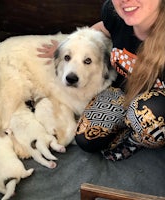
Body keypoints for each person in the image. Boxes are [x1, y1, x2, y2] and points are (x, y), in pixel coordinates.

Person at [37, 0, 165, 161]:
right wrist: (68, 47)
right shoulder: (115, 12)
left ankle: (135, 139)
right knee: (86, 140)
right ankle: (128, 124)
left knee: (144, 116)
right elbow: (103, 28)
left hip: (155, 105)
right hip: (121, 90)